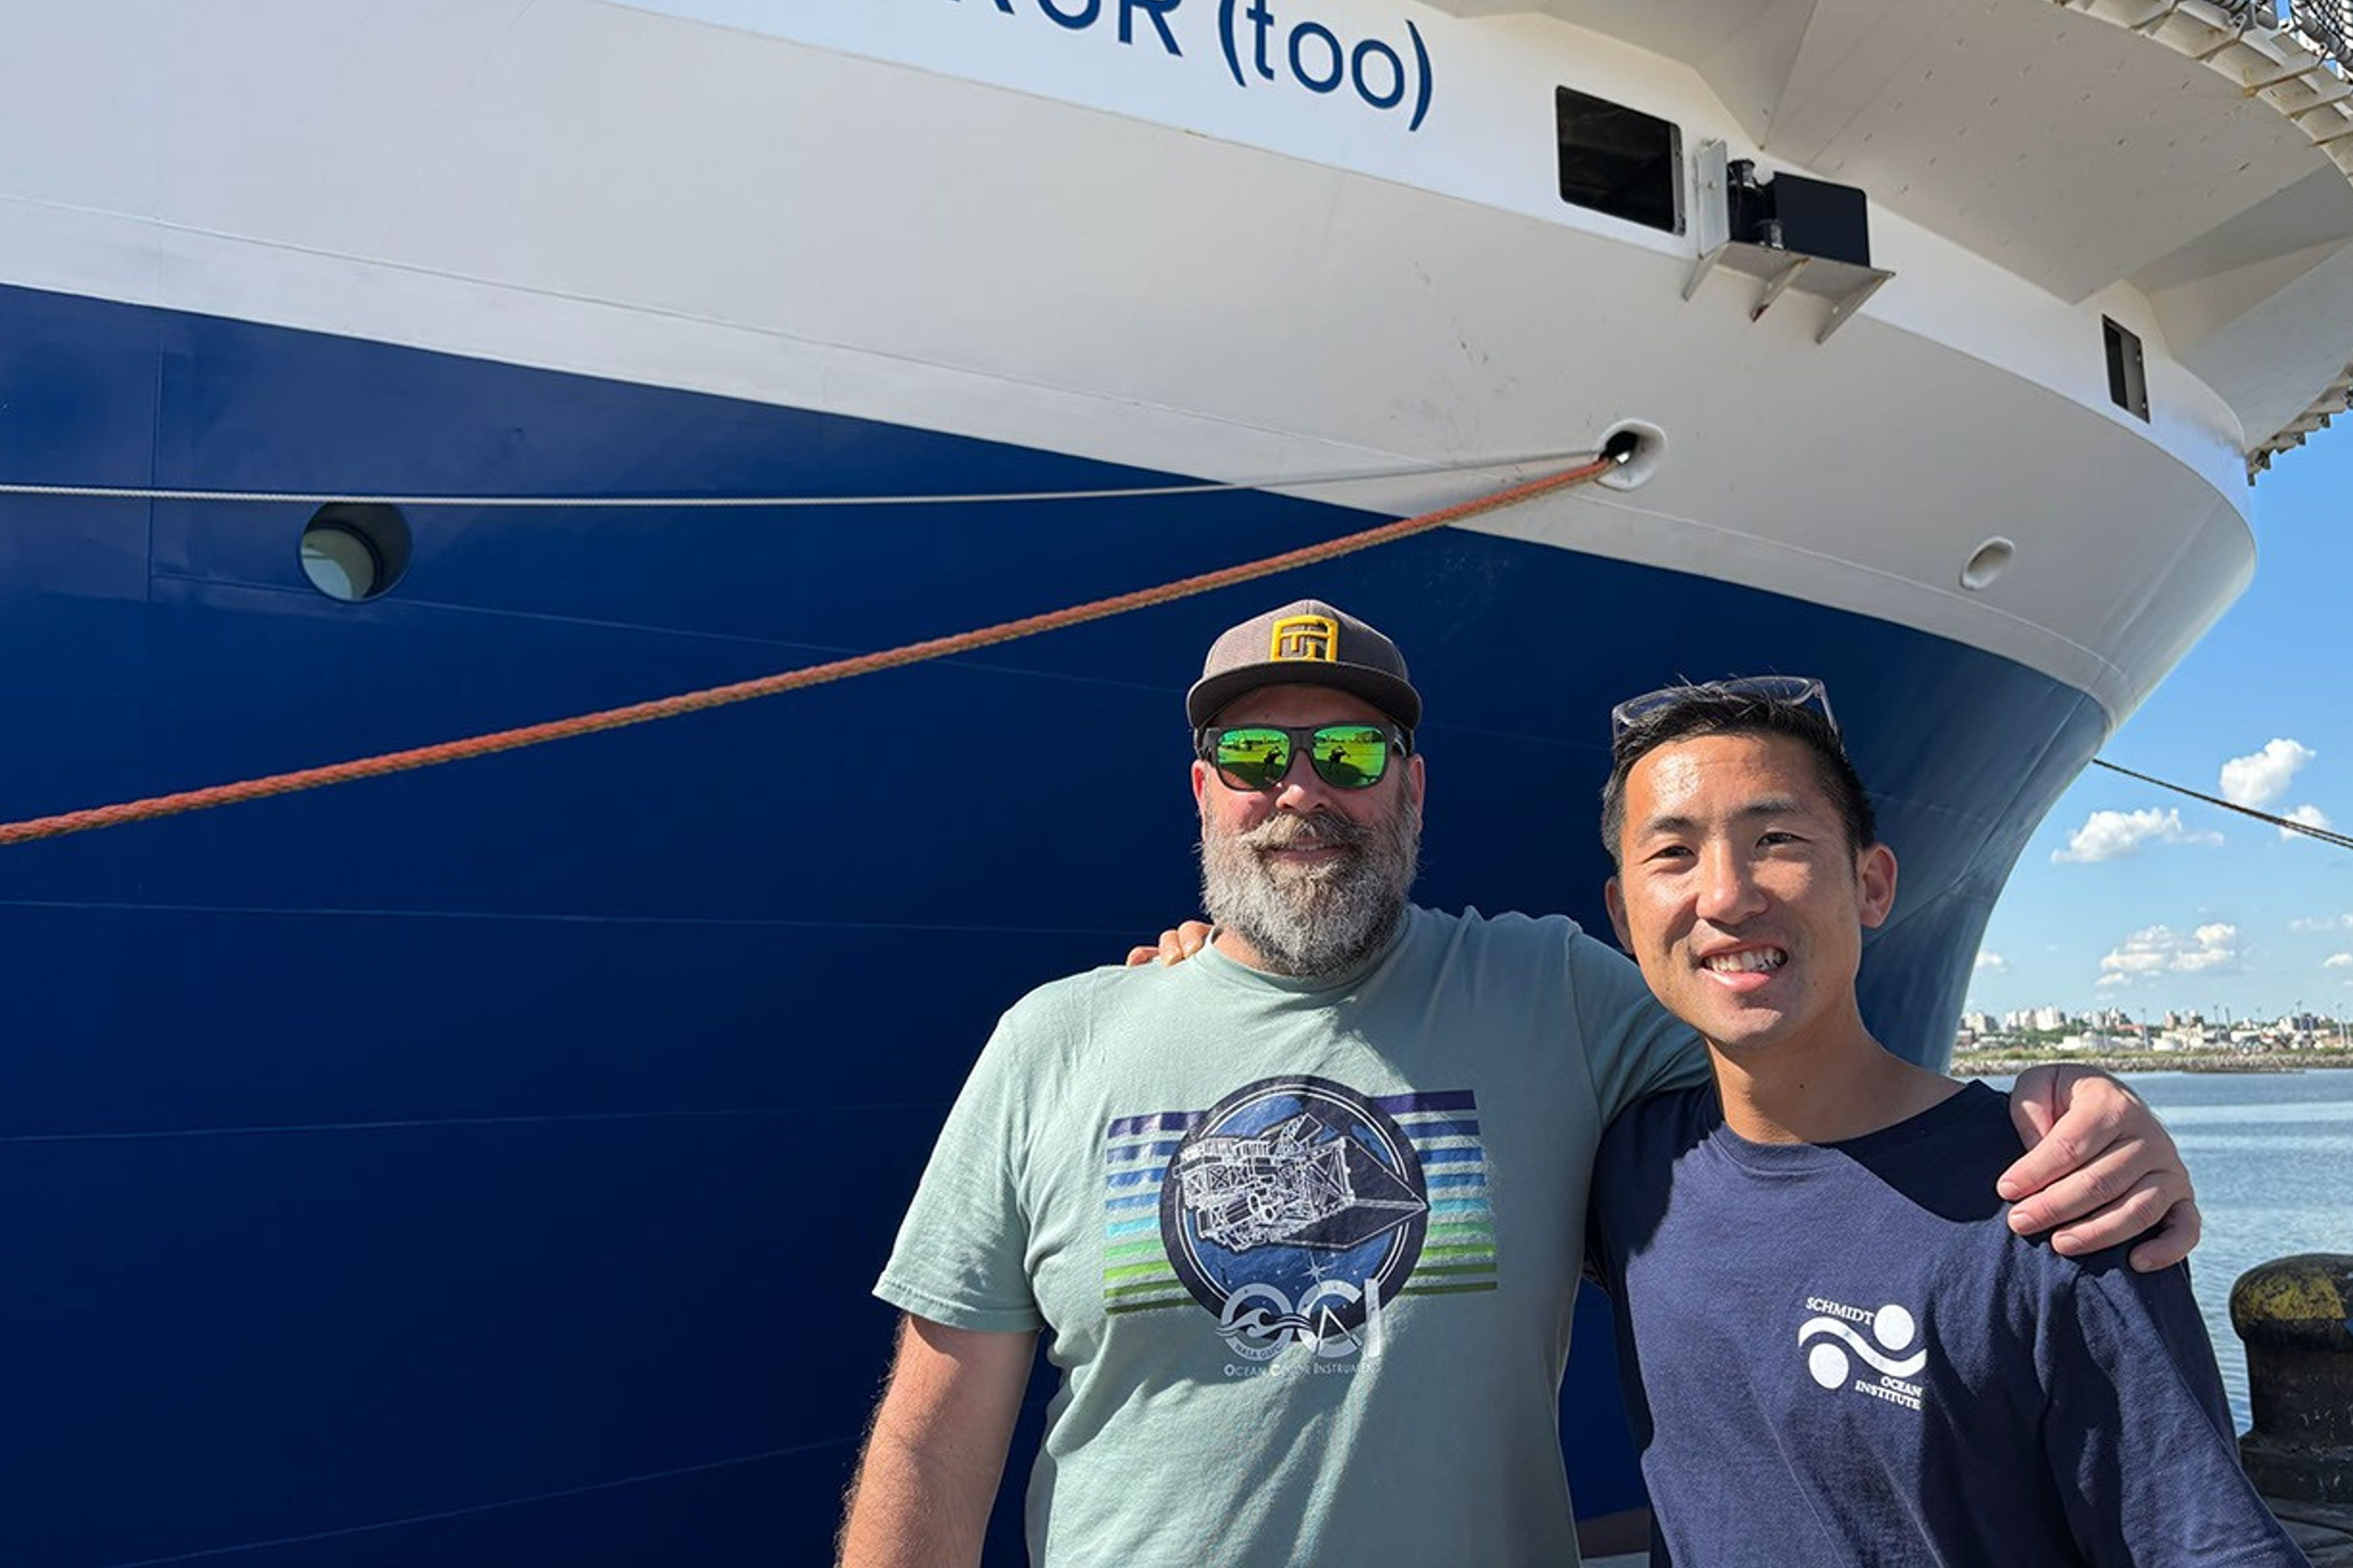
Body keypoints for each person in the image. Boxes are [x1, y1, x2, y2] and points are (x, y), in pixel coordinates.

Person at [838, 600, 2201, 1568]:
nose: (1303, 789)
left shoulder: (1557, 994)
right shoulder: (1055, 1041)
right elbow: (933, 1443)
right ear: (1204, 794)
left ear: (1413, 791)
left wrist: (2064, 1101)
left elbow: (1811, 1085)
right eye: (1256, 759)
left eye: (1352, 757)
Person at [1589, 677, 2303, 1564]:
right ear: (1623, 916)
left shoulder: (2054, 1204)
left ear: (1871, 884)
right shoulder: (1632, 1174)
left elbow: (2204, 1542)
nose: (1727, 896)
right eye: (1673, 855)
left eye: (1776, 839)